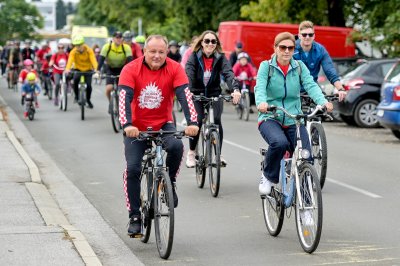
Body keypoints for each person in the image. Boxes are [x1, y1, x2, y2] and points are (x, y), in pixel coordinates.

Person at [118, 34, 199, 236]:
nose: (157, 56)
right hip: (136, 127)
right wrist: (127, 124)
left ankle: (169, 181)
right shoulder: (130, 69)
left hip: (163, 122)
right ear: (144, 51)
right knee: (133, 168)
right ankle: (135, 216)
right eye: (152, 51)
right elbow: (123, 99)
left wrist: (192, 122)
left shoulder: (175, 68)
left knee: (176, 146)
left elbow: (185, 95)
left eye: (161, 52)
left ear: (166, 53)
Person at [254, 32, 333, 198]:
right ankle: (268, 176)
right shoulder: (266, 67)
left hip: (293, 118)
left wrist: (322, 101)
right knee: (279, 142)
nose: (287, 51)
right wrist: (261, 102)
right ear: (275, 49)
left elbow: (310, 85)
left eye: (290, 48)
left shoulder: (299, 67)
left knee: (307, 155)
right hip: (270, 116)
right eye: (283, 47)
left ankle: (306, 207)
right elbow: (259, 87)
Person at [185, 30, 241, 168]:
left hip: (214, 93)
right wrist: (188, 91)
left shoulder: (221, 57)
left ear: (216, 44)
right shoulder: (194, 56)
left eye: (213, 41)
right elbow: (189, 74)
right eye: (207, 41)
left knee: (216, 121)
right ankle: (191, 153)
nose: (210, 44)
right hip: (196, 94)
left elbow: (228, 73)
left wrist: (235, 89)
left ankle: (218, 155)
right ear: (202, 43)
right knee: (197, 121)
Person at [293, 20, 346, 101]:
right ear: (299, 36)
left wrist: (340, 89)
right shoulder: (290, 48)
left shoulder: (320, 50)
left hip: (312, 88)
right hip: (293, 90)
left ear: (314, 36)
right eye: (304, 35)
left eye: (310, 35)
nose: (307, 37)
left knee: (325, 109)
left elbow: (330, 70)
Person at [97, 31, 132, 113]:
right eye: (117, 37)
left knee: (122, 91)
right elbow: (101, 59)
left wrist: (131, 72)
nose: (119, 39)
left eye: (120, 37)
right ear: (113, 39)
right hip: (110, 69)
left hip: (121, 69)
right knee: (109, 88)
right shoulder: (107, 47)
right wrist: (98, 71)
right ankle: (111, 103)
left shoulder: (126, 47)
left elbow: (130, 61)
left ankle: (121, 106)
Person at [65, 35, 98, 108]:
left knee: (89, 86)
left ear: (83, 44)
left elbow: (93, 60)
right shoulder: (73, 51)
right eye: (76, 45)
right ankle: (76, 96)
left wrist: (96, 69)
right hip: (78, 69)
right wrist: (67, 69)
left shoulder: (89, 50)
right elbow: (70, 61)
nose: (78, 47)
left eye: (79, 45)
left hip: (88, 70)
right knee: (75, 81)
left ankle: (88, 100)